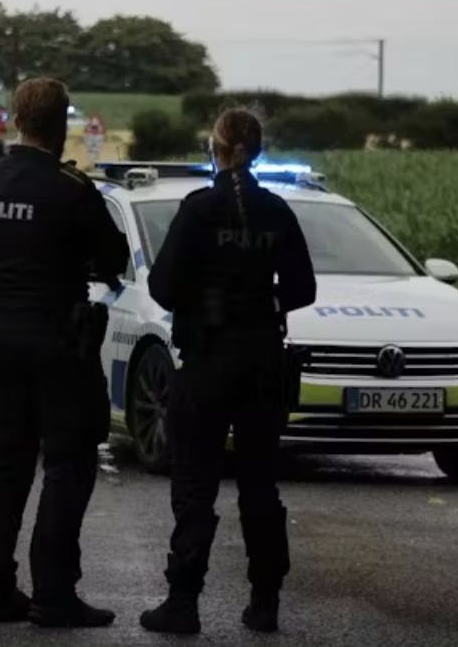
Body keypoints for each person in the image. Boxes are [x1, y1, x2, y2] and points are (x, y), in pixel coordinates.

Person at [138, 107, 317, 636]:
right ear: (256, 150)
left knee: (195, 485)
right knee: (260, 487)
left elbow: (162, 288)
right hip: (263, 364)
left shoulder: (198, 209)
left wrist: (208, 299)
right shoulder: (276, 210)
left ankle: (183, 603)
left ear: (214, 148)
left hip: (208, 363)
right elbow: (304, 289)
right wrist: (261, 302)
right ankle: (265, 603)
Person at [0, 77, 129, 628]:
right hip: (58, 346)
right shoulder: (70, 190)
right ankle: (53, 595)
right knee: (67, 464)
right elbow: (115, 258)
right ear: (61, 123)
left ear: (17, 118)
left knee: (5, 468)